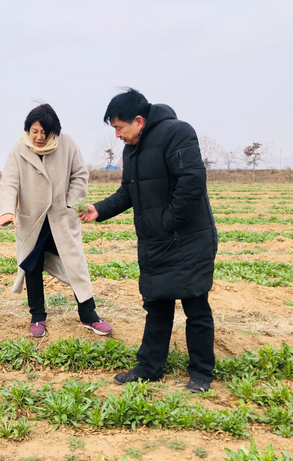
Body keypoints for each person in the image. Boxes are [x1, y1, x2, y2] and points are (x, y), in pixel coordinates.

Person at [79, 88, 217, 392]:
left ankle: (201, 373)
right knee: (157, 305)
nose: (116, 134)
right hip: (156, 241)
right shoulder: (133, 149)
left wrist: (167, 222)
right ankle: (149, 367)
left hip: (188, 238)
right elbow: (129, 192)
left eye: (118, 127)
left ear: (138, 120)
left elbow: (192, 181)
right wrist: (98, 210)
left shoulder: (177, 133)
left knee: (196, 305)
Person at [0, 104, 113, 338]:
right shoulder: (18, 151)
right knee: (33, 266)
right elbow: (9, 183)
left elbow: (80, 175)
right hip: (33, 221)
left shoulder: (67, 144)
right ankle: (37, 316)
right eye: (34, 131)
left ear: (54, 132)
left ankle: (89, 315)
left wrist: (71, 203)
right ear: (28, 129)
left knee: (75, 264)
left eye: (44, 132)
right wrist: (7, 210)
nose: (39, 137)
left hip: (61, 217)